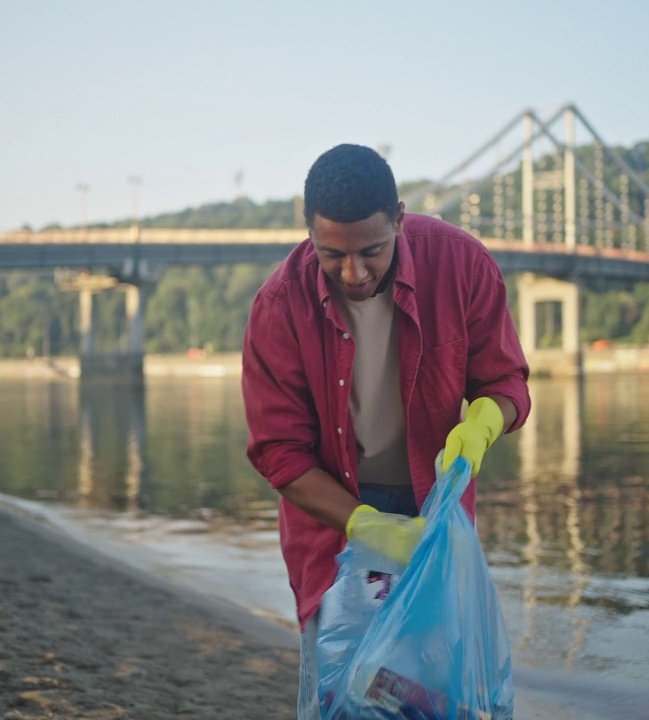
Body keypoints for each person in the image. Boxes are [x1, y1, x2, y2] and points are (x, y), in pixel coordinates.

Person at [241, 144, 530, 718]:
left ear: (399, 217)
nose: (354, 272)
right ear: (309, 234)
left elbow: (507, 382)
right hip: (333, 524)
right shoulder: (279, 306)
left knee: (433, 696)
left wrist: (483, 423)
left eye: (371, 250)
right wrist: (362, 525)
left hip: (435, 513)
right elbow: (280, 454)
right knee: (341, 693)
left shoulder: (461, 263)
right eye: (332, 256)